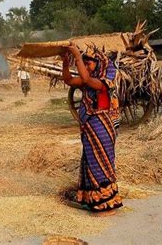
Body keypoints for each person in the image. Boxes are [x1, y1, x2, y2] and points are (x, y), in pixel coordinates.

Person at [60, 43, 122, 215]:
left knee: (100, 164)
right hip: (89, 129)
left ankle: (106, 204)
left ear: (100, 63)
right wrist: (66, 62)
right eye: (84, 63)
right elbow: (69, 80)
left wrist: (77, 57)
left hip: (101, 129)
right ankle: (93, 200)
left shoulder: (104, 81)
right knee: (90, 162)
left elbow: (86, 80)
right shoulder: (91, 78)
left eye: (89, 63)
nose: (86, 66)